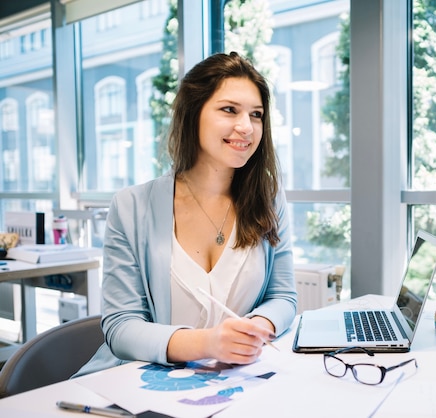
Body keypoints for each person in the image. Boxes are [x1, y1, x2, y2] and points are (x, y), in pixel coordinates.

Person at [75, 52, 297, 376]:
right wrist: (208, 343)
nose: (246, 126)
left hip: (229, 385)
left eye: (257, 114)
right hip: (135, 386)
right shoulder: (131, 206)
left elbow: (284, 297)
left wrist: (256, 327)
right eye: (229, 110)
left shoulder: (269, 199)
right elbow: (121, 329)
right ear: (193, 114)